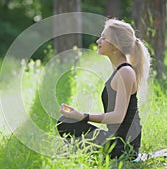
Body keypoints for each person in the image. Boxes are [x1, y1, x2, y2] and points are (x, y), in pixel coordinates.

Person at [56, 18, 151, 159]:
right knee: (66, 121)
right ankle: (77, 152)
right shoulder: (120, 70)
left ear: (116, 44)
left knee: (67, 122)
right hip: (115, 140)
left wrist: (83, 116)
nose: (98, 41)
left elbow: (118, 116)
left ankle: (78, 153)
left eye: (103, 38)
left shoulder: (125, 72)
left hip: (125, 147)